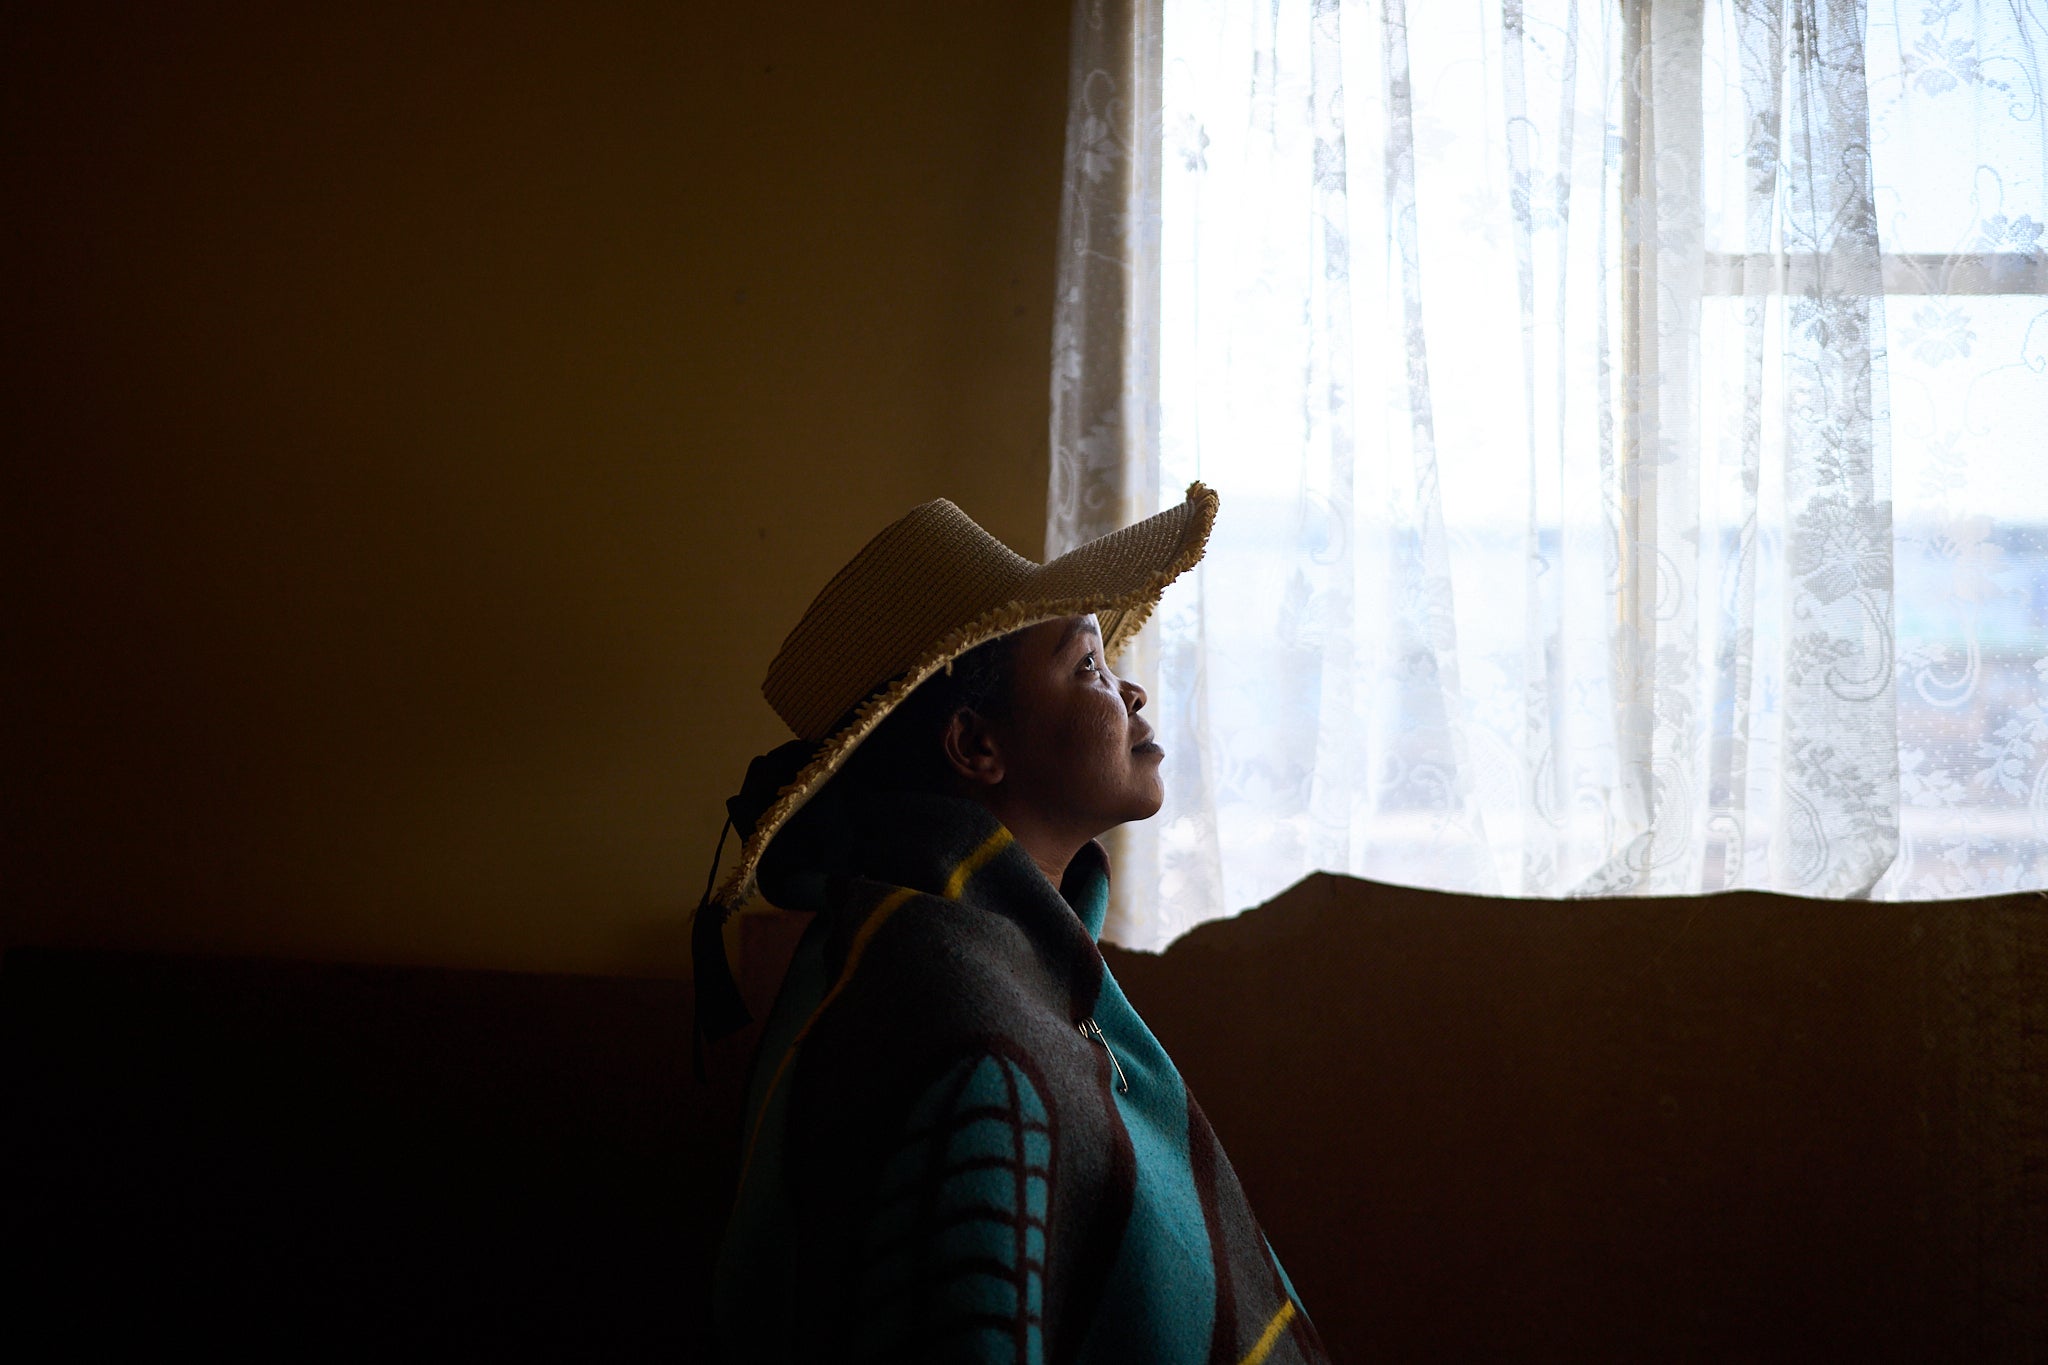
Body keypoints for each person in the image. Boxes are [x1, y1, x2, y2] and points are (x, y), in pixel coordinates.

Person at [701, 483, 1328, 1364]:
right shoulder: (965, 1033)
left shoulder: (955, 955)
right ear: (975, 747)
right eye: (1088, 666)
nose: (1132, 687)